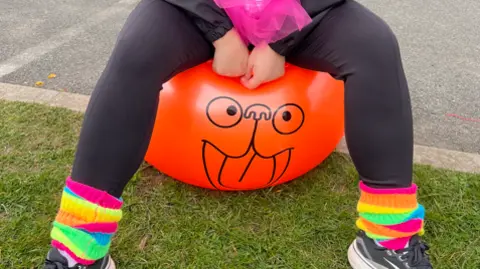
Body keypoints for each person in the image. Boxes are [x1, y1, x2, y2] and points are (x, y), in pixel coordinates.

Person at [43, 0, 433, 268]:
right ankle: (80, 245)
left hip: (299, 12)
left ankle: (388, 240)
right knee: (136, 50)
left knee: (375, 45)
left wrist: (279, 42)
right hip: (197, 10)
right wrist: (219, 30)